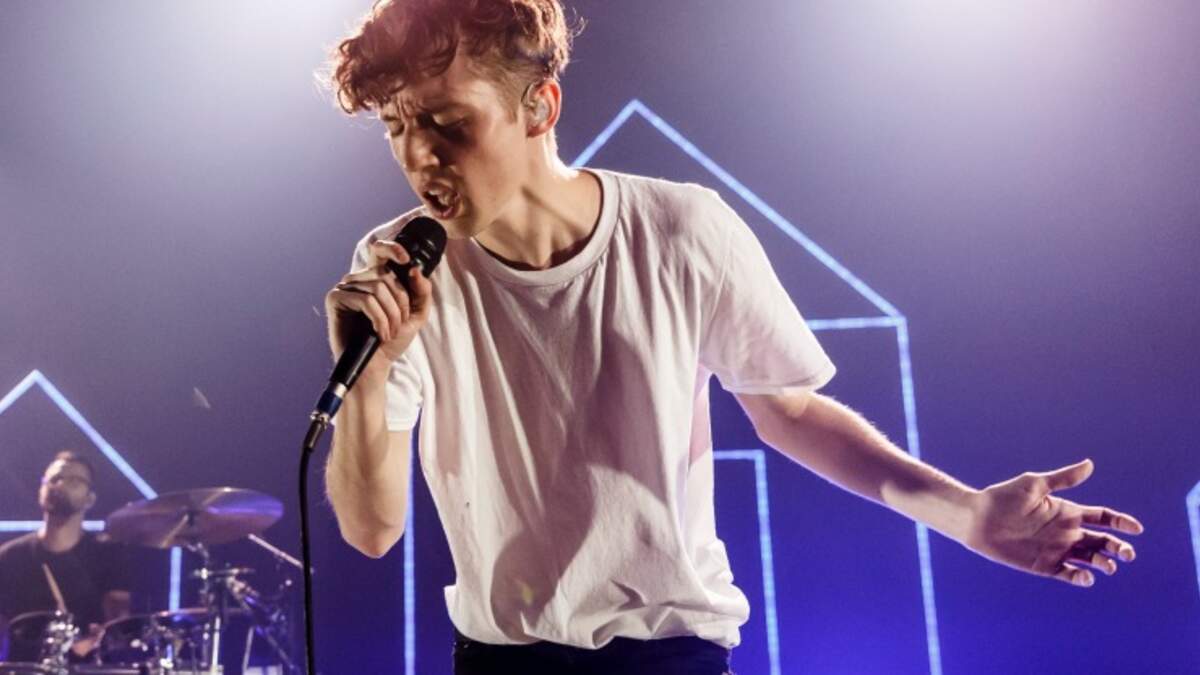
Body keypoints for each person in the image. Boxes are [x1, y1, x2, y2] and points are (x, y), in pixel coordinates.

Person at [319, 2, 1144, 673]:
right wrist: (371, 368)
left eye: (447, 122)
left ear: (540, 105)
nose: (418, 156)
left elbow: (789, 410)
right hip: (503, 659)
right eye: (396, 127)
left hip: (671, 652)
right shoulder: (398, 269)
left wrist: (966, 512)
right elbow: (370, 529)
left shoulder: (681, 229)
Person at [0, 451, 133, 661]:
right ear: (41, 490)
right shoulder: (9, 557)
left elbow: (117, 624)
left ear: (90, 499)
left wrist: (98, 638)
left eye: (74, 481)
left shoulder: (108, 554)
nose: (60, 485)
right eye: (54, 479)